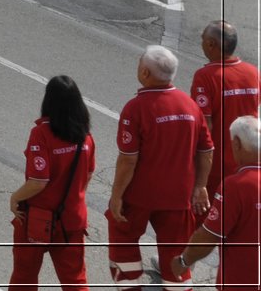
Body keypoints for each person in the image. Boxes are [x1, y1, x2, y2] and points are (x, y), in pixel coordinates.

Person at [107, 45, 214, 291]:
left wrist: (116, 196)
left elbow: (128, 160)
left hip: (139, 197)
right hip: (178, 197)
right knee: (176, 251)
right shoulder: (190, 106)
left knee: (123, 240)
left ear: (145, 73)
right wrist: (200, 187)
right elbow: (206, 150)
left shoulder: (135, 109)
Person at [9, 75, 96, 291]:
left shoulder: (41, 134)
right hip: (72, 220)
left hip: (37, 220)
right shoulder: (85, 138)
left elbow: (38, 181)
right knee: (75, 280)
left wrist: (15, 198)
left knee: (24, 277)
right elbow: (88, 175)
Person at [173, 115, 260, 290]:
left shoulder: (235, 186)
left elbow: (210, 235)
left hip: (241, 282)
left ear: (236, 143)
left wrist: (184, 261)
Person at [191, 20, 261, 197]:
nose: (201, 43)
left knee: (208, 217)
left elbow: (204, 128)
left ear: (211, 44)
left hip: (216, 166)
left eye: (203, 39)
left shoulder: (205, 77)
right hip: (248, 160)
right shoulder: (253, 72)